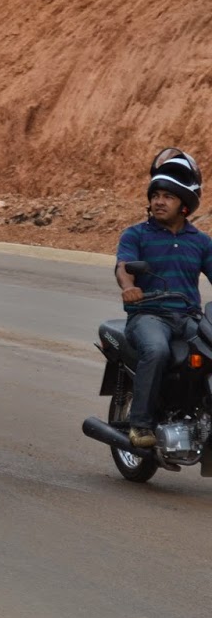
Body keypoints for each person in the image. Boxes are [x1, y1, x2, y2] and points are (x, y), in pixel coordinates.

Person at [115, 148, 212, 448]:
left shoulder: (200, 242)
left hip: (188, 318)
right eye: (155, 195)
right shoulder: (136, 235)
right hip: (148, 316)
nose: (158, 201)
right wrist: (128, 287)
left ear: (184, 204)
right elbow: (123, 267)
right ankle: (140, 425)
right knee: (157, 350)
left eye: (167, 196)